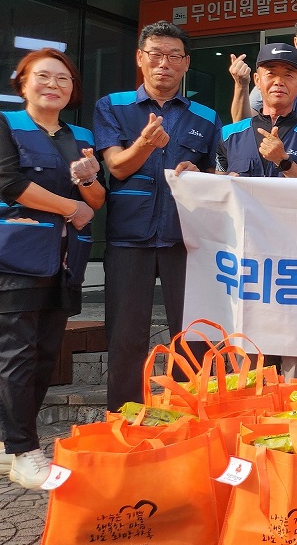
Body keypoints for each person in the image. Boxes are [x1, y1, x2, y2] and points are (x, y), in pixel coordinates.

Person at [0, 49, 106, 489]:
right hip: (14, 261)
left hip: (65, 262)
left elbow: (98, 201)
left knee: (45, 357)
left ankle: (1, 449)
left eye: (63, 79)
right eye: (43, 76)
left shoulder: (80, 133)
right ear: (23, 82)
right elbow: (9, 182)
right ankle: (25, 450)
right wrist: (71, 205)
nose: (54, 85)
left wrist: (87, 180)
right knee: (16, 358)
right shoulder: (1, 125)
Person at [93, 21, 221, 412]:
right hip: (128, 238)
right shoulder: (112, 106)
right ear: (140, 59)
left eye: (173, 56)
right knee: (126, 336)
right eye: (155, 54)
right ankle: (124, 419)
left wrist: (203, 176)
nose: (163, 63)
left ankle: (189, 417)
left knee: (194, 337)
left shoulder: (205, 116)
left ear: (185, 64)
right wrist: (145, 145)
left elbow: (219, 176)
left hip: (186, 241)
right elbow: (114, 166)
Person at [218, 42, 297, 179]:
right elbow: (217, 189)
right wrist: (227, 183)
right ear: (257, 80)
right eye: (271, 73)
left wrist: (284, 163)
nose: (278, 81)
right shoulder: (229, 135)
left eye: (288, 75)